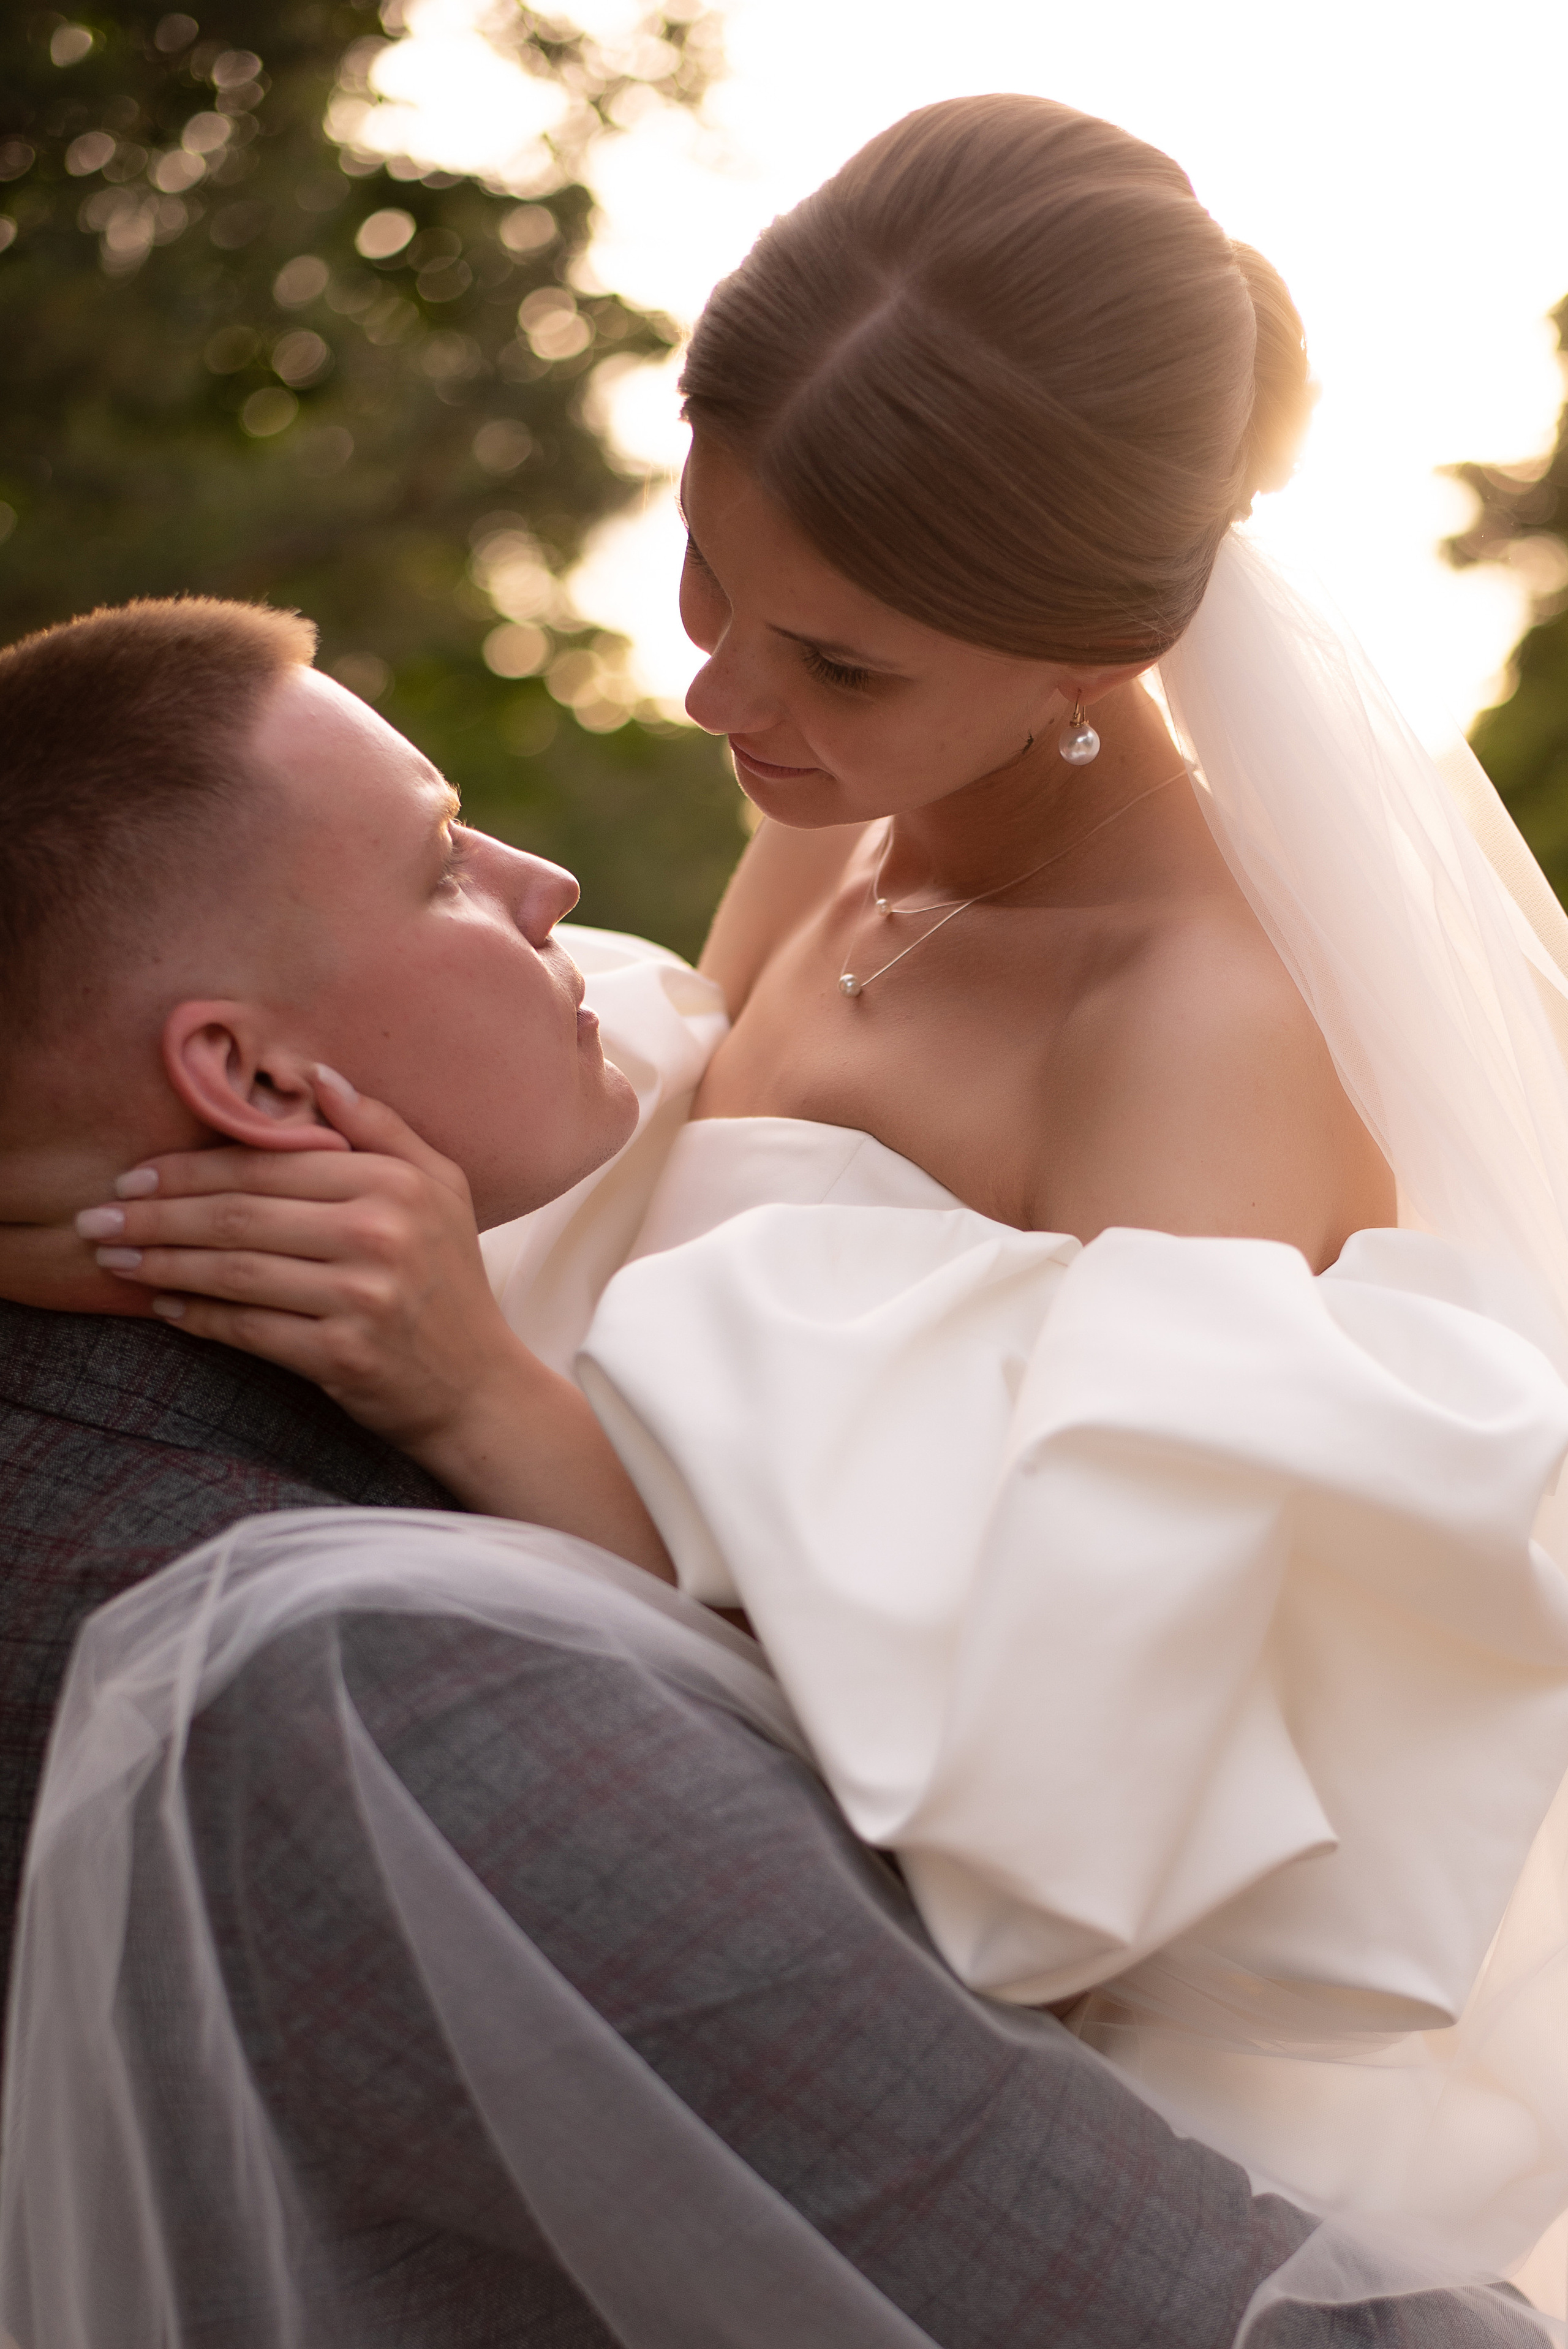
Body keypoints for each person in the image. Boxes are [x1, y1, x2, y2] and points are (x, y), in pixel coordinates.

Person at [6, 594, 1531, 2349]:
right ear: (255, 1073)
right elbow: (1110, 2280)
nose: (548, 883)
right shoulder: (388, 1684)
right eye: (440, 867)